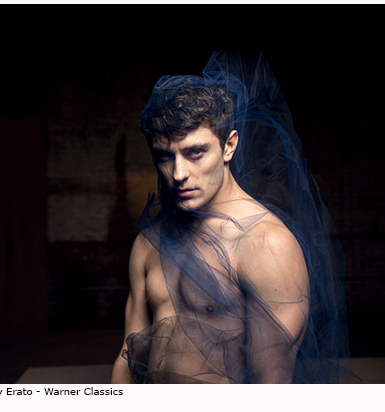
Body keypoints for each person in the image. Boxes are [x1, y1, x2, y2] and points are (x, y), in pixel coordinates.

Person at [111, 52, 350, 384]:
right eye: (165, 156)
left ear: (229, 146)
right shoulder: (148, 244)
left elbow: (272, 384)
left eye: (195, 152)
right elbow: (127, 356)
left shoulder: (266, 244)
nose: (178, 173)